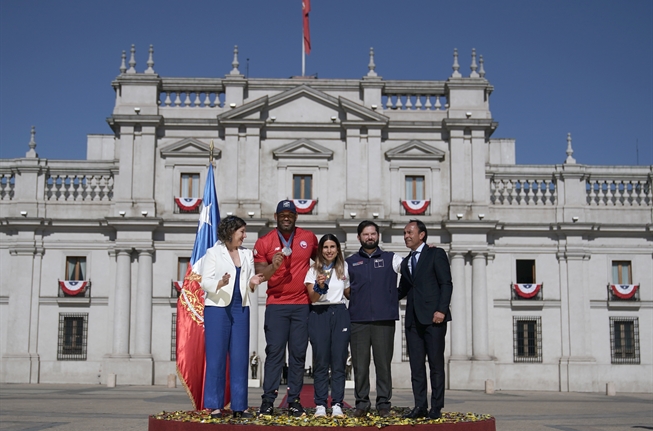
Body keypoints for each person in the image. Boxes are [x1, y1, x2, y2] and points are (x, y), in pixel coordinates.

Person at [254, 200, 318, 417]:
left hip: (301, 305)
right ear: (276, 216)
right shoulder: (264, 242)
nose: (286, 217)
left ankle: (294, 400)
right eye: (283, 214)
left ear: (296, 216)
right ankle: (268, 400)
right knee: (274, 354)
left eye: (290, 214)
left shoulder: (308, 238)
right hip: (277, 305)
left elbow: (322, 260)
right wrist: (275, 265)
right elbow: (261, 276)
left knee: (298, 355)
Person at [200, 215, 265, 418]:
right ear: (230, 232)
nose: (245, 236)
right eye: (242, 232)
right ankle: (215, 405)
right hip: (217, 308)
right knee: (216, 357)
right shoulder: (213, 253)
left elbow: (249, 284)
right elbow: (205, 281)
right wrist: (219, 283)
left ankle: (240, 405)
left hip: (241, 307)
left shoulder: (246, 254)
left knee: (239, 358)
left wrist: (253, 282)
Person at [345, 220, 402, 418]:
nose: (370, 237)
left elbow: (414, 271)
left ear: (378, 236)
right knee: (360, 365)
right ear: (359, 237)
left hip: (384, 320)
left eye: (373, 234)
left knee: (383, 364)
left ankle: (384, 403)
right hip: (358, 321)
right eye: (366, 234)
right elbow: (343, 288)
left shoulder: (392, 259)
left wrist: (393, 296)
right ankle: (361, 403)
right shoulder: (350, 262)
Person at [398, 219, 452, 420]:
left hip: (434, 319)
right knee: (416, 366)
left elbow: (446, 283)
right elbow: (402, 289)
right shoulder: (406, 262)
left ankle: (436, 407)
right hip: (412, 320)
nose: (406, 236)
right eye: (404, 233)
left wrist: (441, 310)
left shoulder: (436, 254)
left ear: (422, 235)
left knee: (436, 365)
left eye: (410, 232)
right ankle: (420, 405)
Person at [304, 234, 350, 418]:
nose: (329, 250)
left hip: (339, 312)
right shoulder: (312, 270)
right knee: (321, 361)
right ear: (320, 250)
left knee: (339, 361)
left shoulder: (344, 268)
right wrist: (318, 285)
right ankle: (321, 404)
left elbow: (348, 293)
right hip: (319, 313)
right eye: (325, 247)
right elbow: (312, 298)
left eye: (332, 246)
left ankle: (337, 403)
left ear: (337, 249)